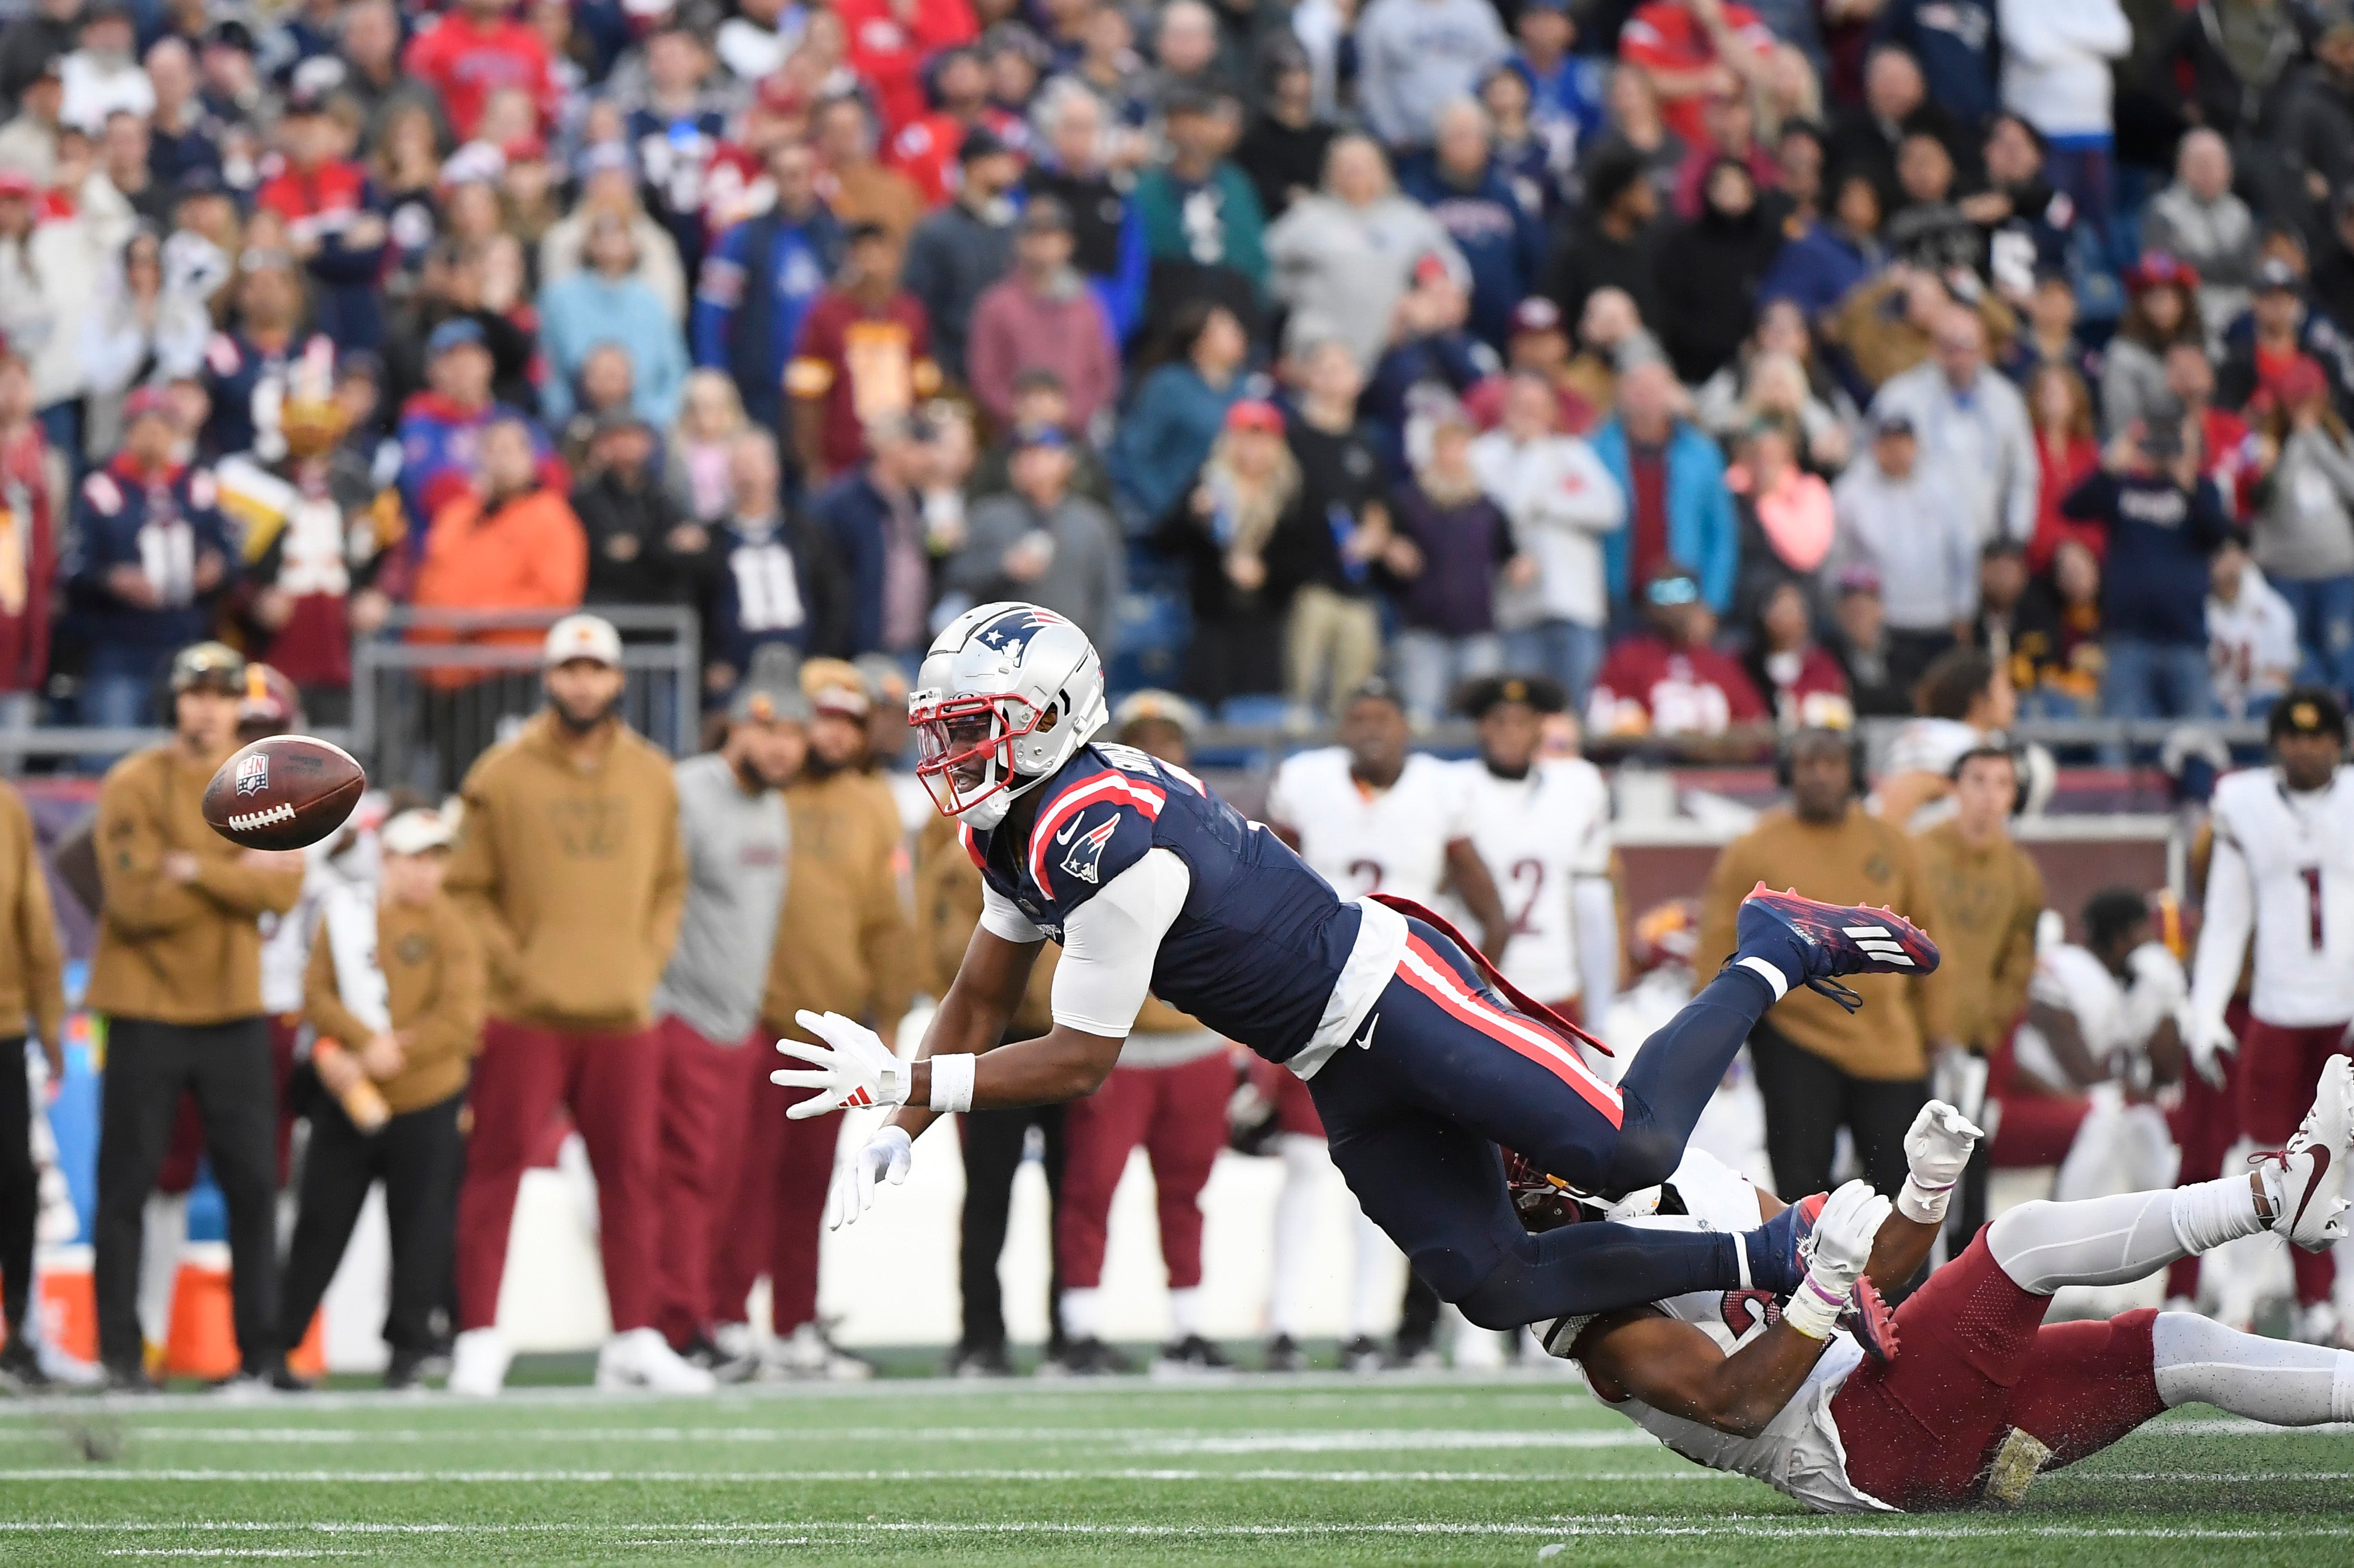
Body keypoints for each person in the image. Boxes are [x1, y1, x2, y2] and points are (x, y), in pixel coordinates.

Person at [781, 600, 1943, 1361]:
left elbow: (1084, 1056)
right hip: (1330, 1051)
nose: (948, 755)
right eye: (943, 729)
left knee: (1629, 1150)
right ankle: (1766, 1253)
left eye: (972, 726)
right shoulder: (1022, 824)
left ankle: (1769, 949)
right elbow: (982, 996)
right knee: (1487, 1282)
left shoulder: (1102, 834)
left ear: (1049, 720)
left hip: (1394, 992)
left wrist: (912, 1076)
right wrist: (913, 1111)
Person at [1537, 1078, 2354, 1513]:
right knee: (2022, 1241)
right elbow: (1737, 1400)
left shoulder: (1688, 1171)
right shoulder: (1572, 1294)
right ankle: (2274, 1196)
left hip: (1901, 1406)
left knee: (2173, 1347)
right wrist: (1822, 1291)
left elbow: (1878, 1264)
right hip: (1852, 1444)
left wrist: (1924, 1190)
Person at [442, 613, 704, 1397]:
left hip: (623, 1012)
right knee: (495, 1173)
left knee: (634, 1177)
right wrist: (514, 966)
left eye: (595, 670)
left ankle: (634, 1335)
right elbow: (466, 890)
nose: (582, 683)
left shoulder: (654, 775)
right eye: (569, 670)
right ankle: (480, 1336)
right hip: (526, 1013)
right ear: (549, 678)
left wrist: (643, 960)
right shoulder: (500, 772)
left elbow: (669, 884)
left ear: (617, 679)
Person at [1263, 675, 1510, 1366]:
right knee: (1307, 1164)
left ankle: (1363, 1326)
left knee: (1385, 1167)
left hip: (1401, 1003)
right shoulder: (1307, 783)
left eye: (1383, 716)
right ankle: (1284, 1322)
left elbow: (1487, 906)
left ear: (1407, 726)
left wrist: (1471, 997)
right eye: (1358, 715)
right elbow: (1260, 876)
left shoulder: (1440, 790)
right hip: (1310, 1002)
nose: (1370, 729)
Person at [88, 642, 306, 1391]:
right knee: (127, 1185)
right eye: (194, 692)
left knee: (253, 1184)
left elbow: (282, 891)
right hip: (145, 1007)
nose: (207, 707)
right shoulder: (135, 781)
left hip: (233, 1008)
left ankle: (262, 1354)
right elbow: (135, 902)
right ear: (174, 700)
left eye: (221, 694)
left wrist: (189, 866)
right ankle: (119, 1353)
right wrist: (232, 871)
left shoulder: (266, 778)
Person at [723, 664, 912, 1380]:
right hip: (752, 1016)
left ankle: (796, 1325)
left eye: (848, 721)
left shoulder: (874, 806)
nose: (833, 733)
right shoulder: (761, 796)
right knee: (740, 1182)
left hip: (830, 1032)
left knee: (807, 1188)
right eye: (821, 718)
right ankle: (729, 1323)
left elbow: (888, 922)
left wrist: (890, 1016)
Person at [1051, 696, 1237, 1374]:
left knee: (1186, 1194)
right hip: (1117, 1044)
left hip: (1195, 1041)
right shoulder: (1088, 825)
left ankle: (1188, 1327)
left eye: (1170, 741)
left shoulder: (1218, 824)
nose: (1160, 752)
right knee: (1092, 1189)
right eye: (1144, 741)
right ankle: (1080, 1327)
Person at [1695, 725, 1951, 1202]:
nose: (1819, 775)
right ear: (1787, 772)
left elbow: (1928, 938)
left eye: (1831, 763)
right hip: (1796, 1035)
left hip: (1888, 1041)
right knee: (1801, 1184)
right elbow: (1716, 944)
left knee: (1900, 1185)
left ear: (1853, 772)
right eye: (1807, 763)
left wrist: (1937, 1025)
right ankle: (1808, 1277)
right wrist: (1717, 1034)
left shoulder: (1894, 844)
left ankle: (1892, 1280)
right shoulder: (1753, 848)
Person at [279, 803, 483, 1391]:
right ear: (386, 859)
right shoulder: (347, 917)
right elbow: (316, 990)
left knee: (421, 1230)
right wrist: (369, 1046)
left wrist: (390, 1051)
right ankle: (280, 1343)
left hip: (428, 1095)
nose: (426, 873)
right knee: (320, 1221)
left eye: (436, 859)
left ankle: (409, 1349)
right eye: (415, 858)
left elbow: (461, 1015)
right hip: (353, 1094)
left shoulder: (454, 924)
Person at [2188, 688, 2354, 1346]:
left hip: (2344, 1012)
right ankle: (2238, 1299)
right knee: (2263, 1158)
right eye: (2292, 735)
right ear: (2274, 742)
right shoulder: (2243, 804)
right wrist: (2205, 1010)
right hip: (2277, 1009)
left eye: (2317, 736)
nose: (2304, 747)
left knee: (2343, 1161)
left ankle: (2336, 1304)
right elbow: (2226, 920)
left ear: (2338, 743)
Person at [650, 671, 804, 1378]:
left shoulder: (773, 807)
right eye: (769, 731)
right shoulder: (686, 793)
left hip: (739, 1023)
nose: (783, 749)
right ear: (735, 728)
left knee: (723, 1184)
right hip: (679, 1014)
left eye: (794, 735)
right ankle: (675, 1325)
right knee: (683, 1180)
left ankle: (705, 1316)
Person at [1910, 743, 2046, 1234]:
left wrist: (1987, 1026)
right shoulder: (1918, 853)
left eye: (2003, 784)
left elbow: (2018, 962)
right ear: (1954, 788)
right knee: (1901, 1160)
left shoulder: (2021, 873)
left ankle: (1964, 1278)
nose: (1990, 796)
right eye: (1978, 781)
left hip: (1975, 1044)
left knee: (1971, 1158)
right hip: (1910, 1040)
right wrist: (1920, 1026)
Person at [60, 388, 237, 729]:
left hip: (188, 645)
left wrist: (216, 568)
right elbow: (73, 568)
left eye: (163, 428)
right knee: (112, 753)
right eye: (145, 427)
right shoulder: (101, 489)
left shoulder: (197, 486)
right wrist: (112, 580)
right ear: (129, 432)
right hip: (119, 647)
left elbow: (230, 554)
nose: (154, 437)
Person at [1452, 674, 1617, 1030]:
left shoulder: (1577, 786)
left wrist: (1600, 1012)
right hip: (1473, 983)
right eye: (1500, 722)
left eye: (1522, 722)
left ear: (1541, 728)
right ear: (1482, 727)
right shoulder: (1450, 787)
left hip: (1554, 983)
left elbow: (1592, 905)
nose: (1510, 733)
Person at [2061, 419, 2231, 724]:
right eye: (2156, 445)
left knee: (2198, 737)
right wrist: (2110, 466)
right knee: (2117, 736)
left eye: (2173, 445)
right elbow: (2072, 508)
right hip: (2128, 636)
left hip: (2186, 637)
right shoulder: (2122, 487)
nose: (2164, 453)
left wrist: (2188, 482)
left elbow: (2218, 535)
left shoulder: (2203, 491)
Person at [1472, 370, 1624, 708]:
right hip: (1514, 608)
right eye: (1520, 404)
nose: (1528, 414)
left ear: (1552, 412)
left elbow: (1611, 509)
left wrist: (1551, 504)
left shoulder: (1574, 452)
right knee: (1520, 707)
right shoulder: (1484, 454)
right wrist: (1534, 457)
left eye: (1537, 406)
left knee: (1573, 707)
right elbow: (1510, 510)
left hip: (1574, 605)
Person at [1264, 134, 1467, 375]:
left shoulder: (1408, 218)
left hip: (1392, 346)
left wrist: (1427, 299)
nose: (1355, 171)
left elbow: (1452, 271)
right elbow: (1264, 262)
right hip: (1322, 343)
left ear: (1382, 169)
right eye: (1346, 165)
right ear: (1330, 172)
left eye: (1364, 164)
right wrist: (1294, 292)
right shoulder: (1309, 216)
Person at [1381, 403, 1520, 725]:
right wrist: (1390, 549)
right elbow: (1383, 554)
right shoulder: (1409, 501)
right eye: (1447, 447)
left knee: (1476, 719)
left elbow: (1508, 552)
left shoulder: (1487, 506)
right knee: (1420, 719)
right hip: (1421, 628)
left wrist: (1519, 565)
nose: (1454, 455)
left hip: (1477, 630)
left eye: (1461, 447)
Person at [691, 141, 842, 434]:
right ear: (772, 180)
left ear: (815, 176)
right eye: (784, 174)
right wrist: (715, 375)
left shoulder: (837, 236)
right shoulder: (741, 237)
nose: (793, 183)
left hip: (825, 387)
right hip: (760, 386)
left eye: (800, 173)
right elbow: (711, 311)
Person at [1829, 411, 1979, 693]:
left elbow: (1963, 552)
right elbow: (1838, 560)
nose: (1896, 451)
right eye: (1888, 444)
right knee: (1892, 697)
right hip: (1884, 622)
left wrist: (1964, 608)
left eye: (1903, 443)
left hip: (1937, 619)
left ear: (1915, 446)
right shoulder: (1851, 493)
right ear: (1875, 447)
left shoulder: (1941, 489)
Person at [1870, 306, 2039, 548]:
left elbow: (2023, 473)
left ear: (1983, 349)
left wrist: (2016, 538)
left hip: (1987, 542)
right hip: (1916, 543)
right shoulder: (1900, 398)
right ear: (1933, 347)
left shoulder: (2005, 400)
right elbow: (1870, 466)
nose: (1959, 358)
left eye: (1967, 347)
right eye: (1949, 347)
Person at [785, 223, 940, 487]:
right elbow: (806, 396)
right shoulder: (826, 314)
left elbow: (923, 390)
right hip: (843, 463)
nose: (873, 266)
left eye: (881, 254)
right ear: (851, 258)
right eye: (864, 255)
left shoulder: (912, 313)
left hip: (901, 460)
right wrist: (812, 462)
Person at [949, 428, 1124, 653]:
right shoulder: (987, 516)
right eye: (1025, 456)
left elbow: (1107, 598)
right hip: (998, 655)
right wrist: (1003, 567)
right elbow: (956, 576)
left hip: (1069, 655)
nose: (1034, 464)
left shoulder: (1092, 523)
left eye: (1045, 454)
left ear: (1067, 462)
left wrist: (1097, 657)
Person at [1591, 357, 1739, 621]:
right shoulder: (1594, 451)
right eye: (1637, 389)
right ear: (1620, 393)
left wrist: (1712, 604)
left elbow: (1721, 534)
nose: (1645, 399)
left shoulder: (1701, 454)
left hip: (1682, 599)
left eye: (1654, 389)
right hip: (1615, 598)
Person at [0, 765, 62, 1390]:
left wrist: (48, 1017)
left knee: (15, 1180)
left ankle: (19, 1331)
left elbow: (32, 913)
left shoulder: (7, 808)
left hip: (3, 1027)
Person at [964, 197, 1122, 436]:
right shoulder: (996, 305)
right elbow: (985, 375)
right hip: (1013, 437)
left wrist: (1069, 413)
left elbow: (1104, 374)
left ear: (1068, 244)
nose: (1043, 245)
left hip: (1075, 437)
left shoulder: (1087, 305)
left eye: (1051, 236)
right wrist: (1021, 412)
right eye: (1035, 235)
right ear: (1019, 242)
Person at [2248, 356, 2354, 697]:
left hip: (2336, 571)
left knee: (2342, 656)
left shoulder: (2341, 441)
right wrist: (2296, 443)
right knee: (2297, 661)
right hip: (2284, 572)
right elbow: (2269, 500)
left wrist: (2317, 442)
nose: (2303, 408)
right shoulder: (2267, 444)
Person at [1587, 565, 1772, 757]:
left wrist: (1712, 746)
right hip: (1654, 768)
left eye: (1682, 594)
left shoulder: (1720, 663)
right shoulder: (1629, 657)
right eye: (1663, 596)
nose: (1673, 610)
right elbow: (1603, 724)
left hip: (1718, 769)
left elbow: (1757, 729)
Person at [538, 214, 687, 431]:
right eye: (602, 235)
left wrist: (653, 419)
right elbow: (548, 366)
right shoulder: (559, 298)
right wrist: (565, 419)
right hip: (577, 420)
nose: (611, 243)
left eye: (619, 235)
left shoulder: (650, 301)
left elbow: (674, 370)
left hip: (643, 422)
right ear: (588, 244)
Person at [900, 128, 1019, 388]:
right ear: (975, 167)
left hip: (1007, 371)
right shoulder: (936, 232)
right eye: (1000, 160)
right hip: (954, 367)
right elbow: (918, 306)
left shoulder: (1014, 229)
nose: (1011, 169)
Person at [1354, 0, 1509, 150]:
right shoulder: (1383, 13)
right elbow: (1372, 80)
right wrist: (1393, 133)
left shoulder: (1477, 9)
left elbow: (1498, 70)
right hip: (1412, 143)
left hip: (1472, 142)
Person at [2207, 537, 2299, 722]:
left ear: (2243, 558)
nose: (2224, 564)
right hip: (2211, 700)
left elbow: (2280, 677)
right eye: (2218, 555)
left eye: (2228, 554)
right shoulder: (2191, 604)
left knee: (2273, 702)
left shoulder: (2274, 608)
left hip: (2256, 701)